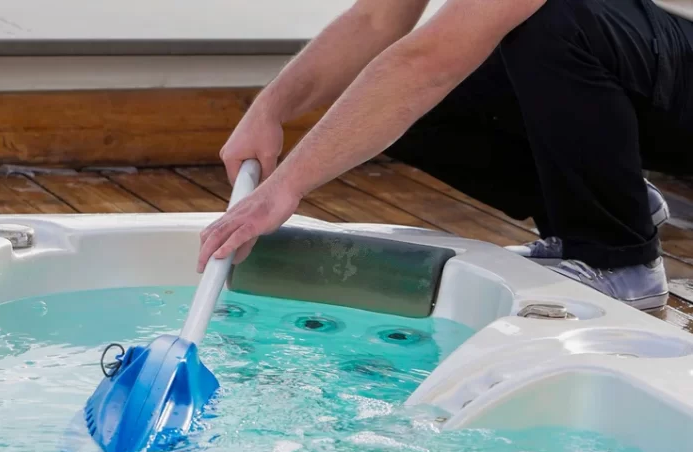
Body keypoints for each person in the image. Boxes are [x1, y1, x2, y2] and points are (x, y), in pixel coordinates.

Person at [196, 0, 693, 311]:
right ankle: (613, 204)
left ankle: (620, 258)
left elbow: (428, 61)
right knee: (385, 86)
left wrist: (285, 187)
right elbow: (374, 22)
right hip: (656, 69)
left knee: (554, 20)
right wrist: (270, 108)